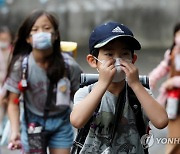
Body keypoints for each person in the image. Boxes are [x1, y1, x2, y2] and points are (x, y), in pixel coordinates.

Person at [70, 21, 168, 153]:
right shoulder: (86, 92)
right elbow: (77, 121)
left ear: (133, 60)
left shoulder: (140, 93)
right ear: (93, 61)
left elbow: (161, 121)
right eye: (109, 54)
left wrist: (135, 84)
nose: (117, 60)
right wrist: (103, 83)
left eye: (124, 54)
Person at [4, 9, 82, 154]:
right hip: (33, 124)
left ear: (56, 35)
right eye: (35, 29)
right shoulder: (21, 66)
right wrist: (15, 131)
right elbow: (12, 102)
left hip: (61, 123)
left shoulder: (69, 66)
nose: (41, 33)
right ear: (27, 38)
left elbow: (80, 99)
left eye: (46, 28)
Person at [149, 22, 180, 154]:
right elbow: (163, 68)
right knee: (174, 135)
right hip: (174, 100)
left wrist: (173, 81)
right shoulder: (172, 53)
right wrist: (151, 79)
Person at [0, 26, 13, 137]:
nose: (4, 42)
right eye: (2, 39)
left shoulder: (13, 52)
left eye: (6, 39)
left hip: (10, 84)